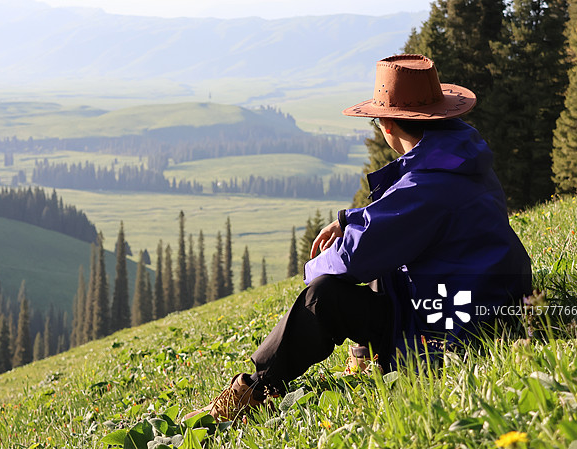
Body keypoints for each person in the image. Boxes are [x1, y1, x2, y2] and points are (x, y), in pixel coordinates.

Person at [185, 54, 532, 422]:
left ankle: (253, 391)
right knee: (386, 258)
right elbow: (404, 218)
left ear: (386, 124)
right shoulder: (460, 158)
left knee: (323, 296)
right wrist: (348, 220)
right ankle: (365, 357)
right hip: (492, 305)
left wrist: (313, 268)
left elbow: (355, 257)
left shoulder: (427, 185)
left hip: (452, 336)